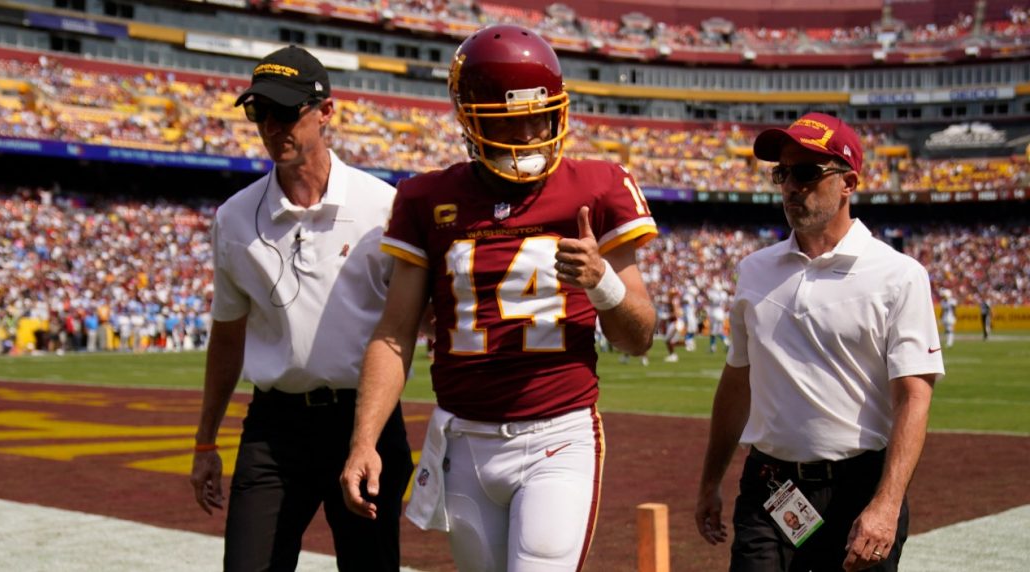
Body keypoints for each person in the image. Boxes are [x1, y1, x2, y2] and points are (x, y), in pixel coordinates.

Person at [340, 24, 657, 572]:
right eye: (511, 119)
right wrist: (364, 439)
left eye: (541, 115)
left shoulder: (597, 186)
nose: (531, 132)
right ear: (470, 118)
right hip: (465, 439)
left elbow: (638, 336)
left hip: (559, 434)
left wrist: (601, 280)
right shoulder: (426, 197)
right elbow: (394, 332)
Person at [189, 45, 413, 572]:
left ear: (326, 112)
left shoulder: (382, 207)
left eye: (286, 111)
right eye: (258, 111)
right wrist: (204, 440)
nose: (271, 125)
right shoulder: (235, 217)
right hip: (274, 427)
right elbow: (227, 335)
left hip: (366, 422)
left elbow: (412, 324)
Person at [694, 112, 944, 572]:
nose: (791, 186)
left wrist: (886, 505)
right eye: (782, 173)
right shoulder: (754, 271)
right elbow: (737, 381)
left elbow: (914, 395)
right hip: (771, 485)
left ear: (848, 183)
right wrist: (710, 481)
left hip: (859, 488)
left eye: (807, 173)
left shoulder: (899, 276)